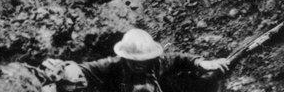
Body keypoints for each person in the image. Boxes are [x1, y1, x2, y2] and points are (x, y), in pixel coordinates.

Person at [42, 28, 229, 92]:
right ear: (125, 58)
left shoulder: (158, 63)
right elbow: (81, 70)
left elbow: (180, 59)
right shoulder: (112, 66)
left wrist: (201, 62)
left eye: (144, 61)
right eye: (134, 61)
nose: (140, 65)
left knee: (205, 81)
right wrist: (60, 72)